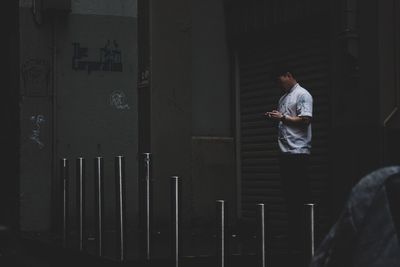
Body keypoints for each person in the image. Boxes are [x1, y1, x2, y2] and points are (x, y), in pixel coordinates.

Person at [265, 66, 313, 265]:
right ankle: (295, 241)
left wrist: (283, 117)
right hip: (285, 154)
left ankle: (304, 243)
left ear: (289, 75)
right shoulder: (283, 98)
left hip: (298, 154)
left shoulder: (303, 95)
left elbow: (305, 120)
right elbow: (285, 121)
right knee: (289, 199)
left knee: (299, 198)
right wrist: (276, 117)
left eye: (280, 80)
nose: (279, 85)